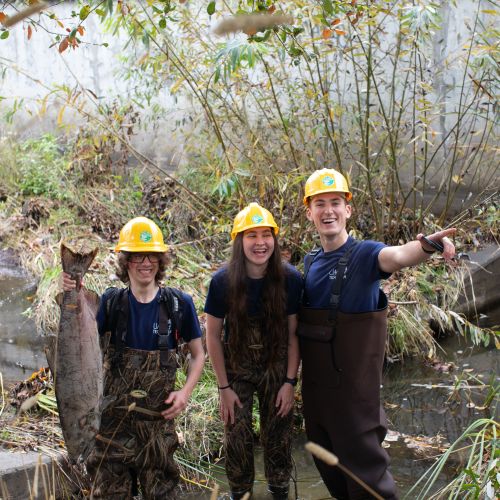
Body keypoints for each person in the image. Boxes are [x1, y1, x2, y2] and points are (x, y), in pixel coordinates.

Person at [298, 169, 456, 500]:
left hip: (355, 398)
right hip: (316, 399)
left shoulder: (366, 255)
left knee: (369, 482)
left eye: (336, 203)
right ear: (309, 211)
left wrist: (428, 245)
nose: (329, 211)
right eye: (320, 204)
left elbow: (399, 255)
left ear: (348, 210)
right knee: (334, 476)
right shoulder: (310, 263)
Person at [61, 216, 205, 499]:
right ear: (125, 262)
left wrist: (185, 392)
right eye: (137, 256)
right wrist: (72, 292)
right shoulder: (110, 304)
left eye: (152, 256)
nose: (145, 263)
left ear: (160, 261)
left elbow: (199, 355)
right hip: (111, 431)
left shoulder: (179, 304)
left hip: (158, 430)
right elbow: (78, 340)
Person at [204, 202, 303, 500]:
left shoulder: (290, 279)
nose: (260, 243)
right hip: (237, 371)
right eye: (251, 235)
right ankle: (240, 494)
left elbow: (293, 335)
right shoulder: (222, 282)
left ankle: (279, 492)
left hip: (277, 369)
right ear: (239, 241)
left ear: (274, 238)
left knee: (278, 440)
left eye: (266, 235)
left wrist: (289, 383)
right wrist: (224, 387)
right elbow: (212, 336)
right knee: (237, 438)